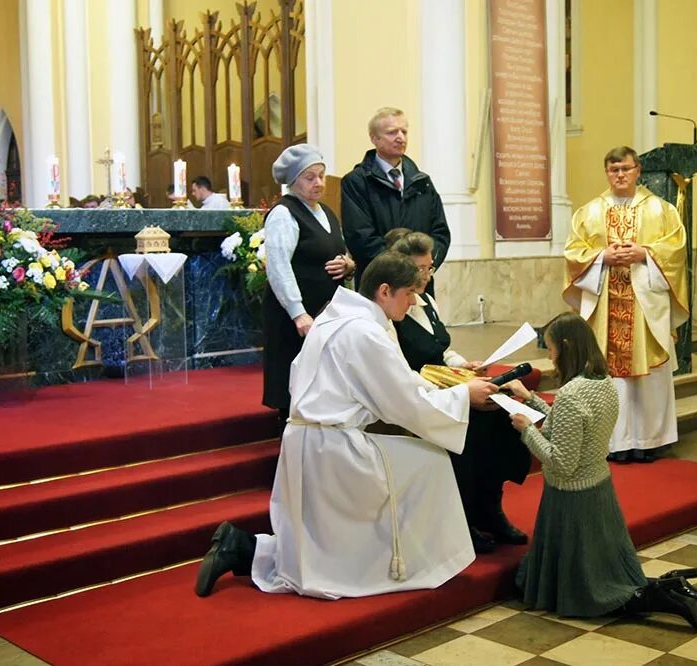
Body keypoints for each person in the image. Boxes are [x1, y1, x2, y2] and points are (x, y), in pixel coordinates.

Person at [195, 252, 500, 599]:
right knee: (432, 462)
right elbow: (405, 401)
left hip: (303, 441)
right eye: (408, 294)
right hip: (334, 449)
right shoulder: (365, 331)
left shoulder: (333, 320)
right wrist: (463, 396)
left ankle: (242, 547)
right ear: (385, 291)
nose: (413, 302)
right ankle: (411, 562)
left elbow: (395, 384)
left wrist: (451, 388)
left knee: (324, 543)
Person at [504, 312, 697, 630]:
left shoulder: (572, 395)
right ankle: (670, 589)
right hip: (598, 489)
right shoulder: (601, 382)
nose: (549, 355)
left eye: (550, 348)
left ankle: (671, 598)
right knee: (609, 572)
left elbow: (561, 461)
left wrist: (526, 429)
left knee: (597, 590)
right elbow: (570, 425)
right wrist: (531, 399)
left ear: (567, 346)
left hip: (573, 501)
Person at [385, 228, 531, 553]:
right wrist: (456, 384)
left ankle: (490, 509)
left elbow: (441, 348)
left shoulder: (427, 302)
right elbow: (402, 371)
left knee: (501, 418)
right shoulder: (391, 314)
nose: (424, 276)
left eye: (429, 268)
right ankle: (463, 518)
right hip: (423, 397)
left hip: (451, 386)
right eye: (418, 269)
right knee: (473, 428)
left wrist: (464, 364)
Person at [563, 146, 689, 463]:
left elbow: (675, 249)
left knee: (648, 376)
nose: (620, 175)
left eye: (626, 169)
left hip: (645, 306)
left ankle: (651, 440)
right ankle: (614, 442)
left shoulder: (662, 210)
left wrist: (644, 254)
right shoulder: (589, 212)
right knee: (612, 378)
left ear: (638, 170)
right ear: (607, 172)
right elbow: (573, 253)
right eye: (614, 169)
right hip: (606, 305)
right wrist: (602, 257)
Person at [261, 144, 354, 422]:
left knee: (324, 382)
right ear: (292, 181)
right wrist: (298, 312)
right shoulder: (283, 213)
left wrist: (349, 265)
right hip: (297, 318)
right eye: (310, 177)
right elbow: (278, 267)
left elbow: (339, 251)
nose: (319, 183)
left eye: (321, 176)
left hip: (327, 313)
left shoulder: (326, 211)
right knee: (295, 384)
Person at [341, 107, 451, 291]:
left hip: (421, 284)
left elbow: (440, 233)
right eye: (392, 132)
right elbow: (360, 238)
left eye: (404, 131)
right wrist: (403, 271)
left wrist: (425, 267)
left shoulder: (422, 182)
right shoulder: (357, 182)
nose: (401, 137)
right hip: (380, 285)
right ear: (374, 138)